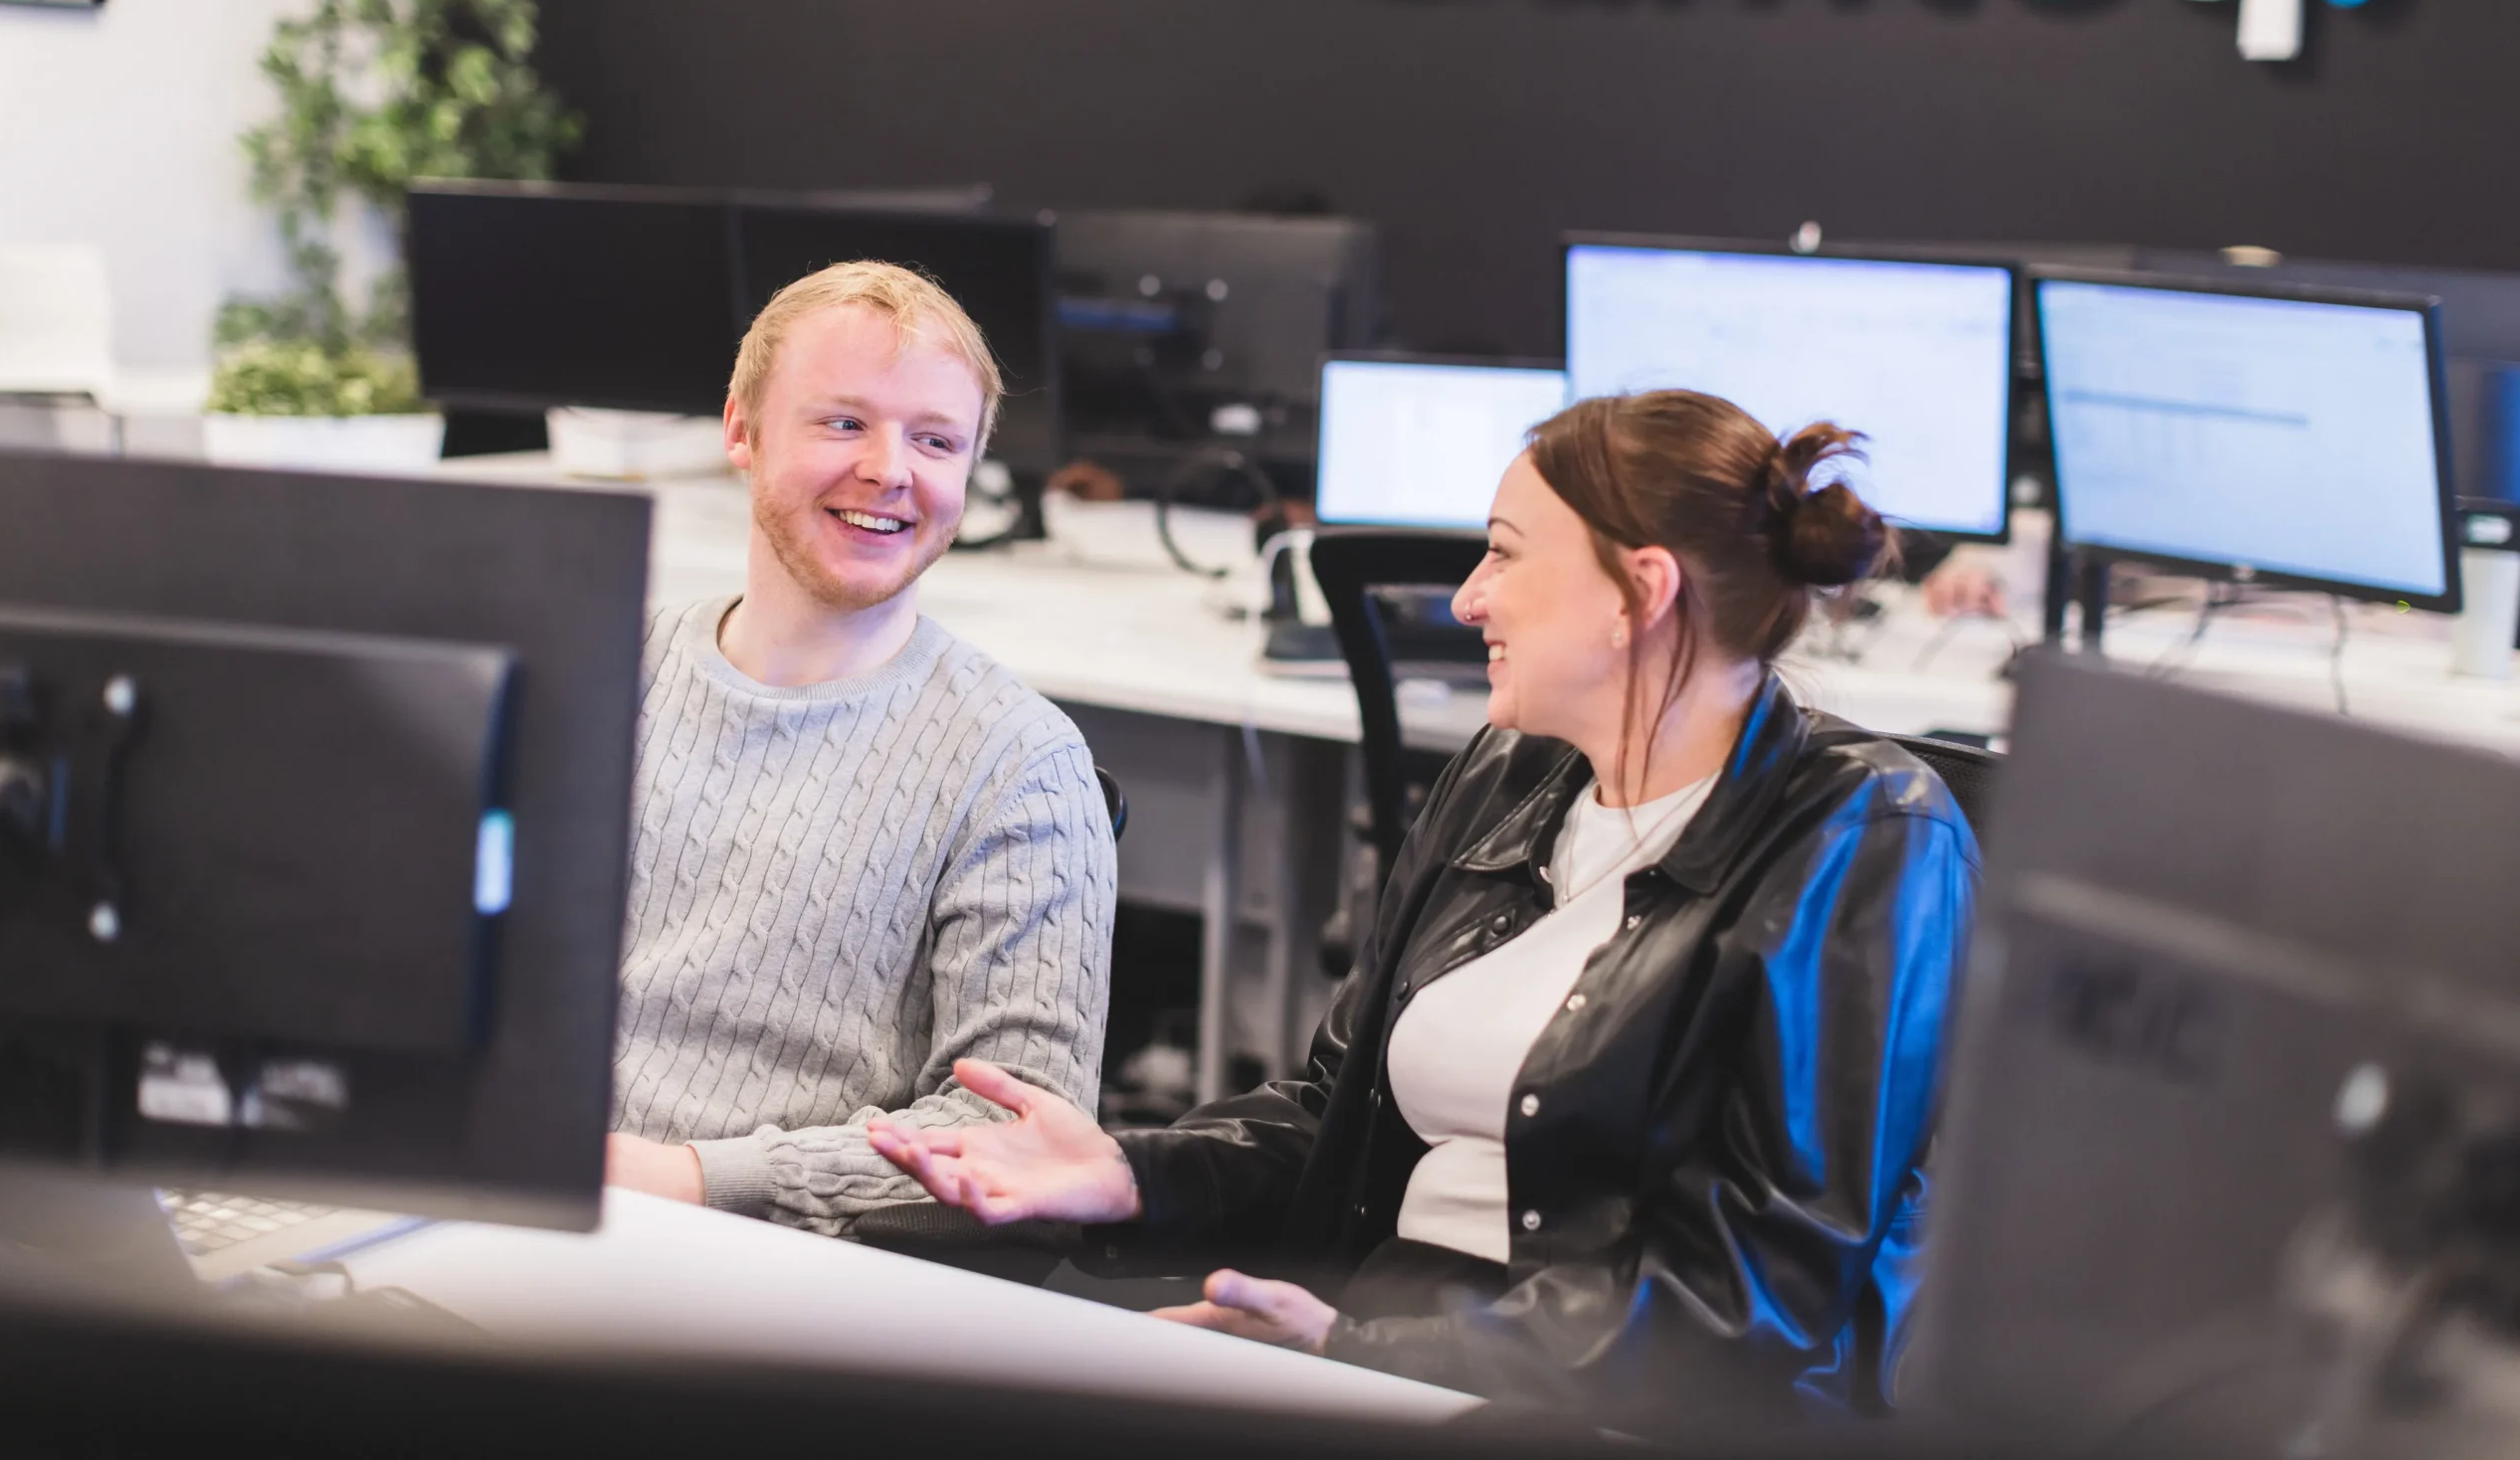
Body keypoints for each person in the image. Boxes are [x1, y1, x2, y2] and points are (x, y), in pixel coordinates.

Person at [871, 390, 1975, 1423]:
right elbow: (1331, 1117)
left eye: (1502, 552)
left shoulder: (1867, 839)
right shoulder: (1509, 769)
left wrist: (1372, 1353)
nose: (1464, 598)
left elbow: (1751, 1303)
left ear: (1640, 591)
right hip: (1379, 1347)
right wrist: (1127, 1177)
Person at [605, 261, 1117, 1233]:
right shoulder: (605, 667)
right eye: (843, 422)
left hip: (779, 1272)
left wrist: (683, 1178)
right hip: (516, 1210)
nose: (890, 470)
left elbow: (1013, 1138)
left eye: (934, 440)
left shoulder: (1018, 766)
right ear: (740, 431)